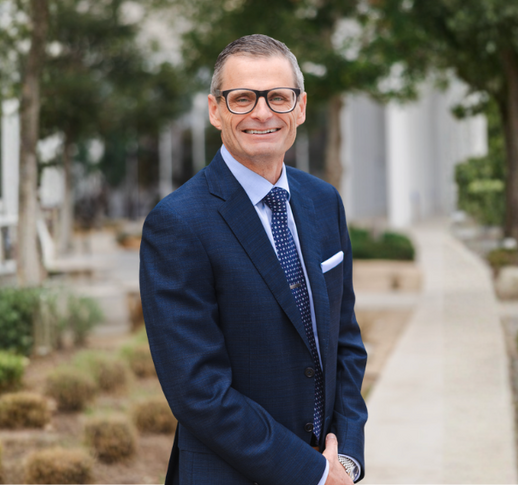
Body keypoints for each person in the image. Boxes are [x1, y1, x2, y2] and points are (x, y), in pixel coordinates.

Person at [139, 34, 367, 485]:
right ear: (215, 110)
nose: (262, 113)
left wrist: (347, 459)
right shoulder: (177, 223)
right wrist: (313, 473)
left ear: (300, 108)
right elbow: (198, 391)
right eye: (242, 98)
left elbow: (346, 343)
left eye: (278, 98)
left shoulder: (324, 202)